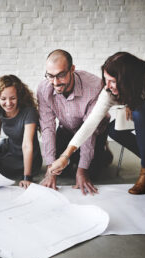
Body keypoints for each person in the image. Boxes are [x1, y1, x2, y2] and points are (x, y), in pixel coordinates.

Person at [49, 52, 145, 195]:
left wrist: (134, 103)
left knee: (140, 112)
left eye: (112, 81)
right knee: (113, 130)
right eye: (106, 80)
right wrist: (65, 156)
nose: (107, 86)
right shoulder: (108, 91)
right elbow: (90, 124)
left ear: (127, 80)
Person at [37, 49, 111, 195]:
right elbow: (47, 128)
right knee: (59, 171)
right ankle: (75, 159)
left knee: (91, 173)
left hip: (95, 130)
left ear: (72, 69)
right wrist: (50, 169)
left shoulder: (95, 86)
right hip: (66, 129)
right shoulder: (44, 88)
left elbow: (88, 129)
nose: (56, 82)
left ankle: (104, 152)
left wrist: (82, 170)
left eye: (61, 75)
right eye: (50, 76)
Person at [0, 75, 42, 188]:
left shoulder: (29, 112)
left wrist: (27, 177)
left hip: (25, 157)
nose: (8, 103)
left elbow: (27, 145)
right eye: (3, 99)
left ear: (19, 96)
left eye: (13, 98)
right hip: (8, 146)